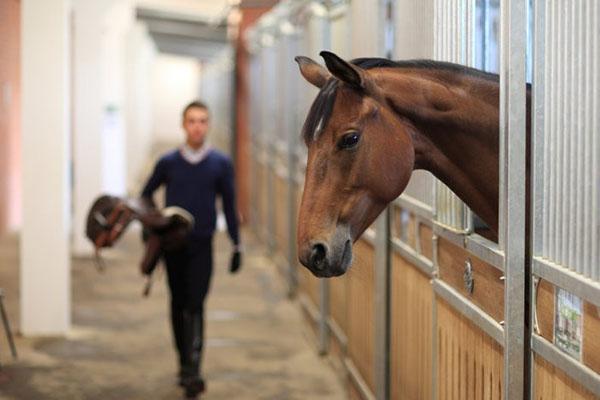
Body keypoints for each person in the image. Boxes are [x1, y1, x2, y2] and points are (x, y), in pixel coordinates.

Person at [141, 100, 241, 399]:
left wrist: (237, 245)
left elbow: (230, 205)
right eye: (192, 121)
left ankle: (193, 371)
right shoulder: (168, 162)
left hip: (202, 245)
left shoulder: (220, 164)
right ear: (183, 125)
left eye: (202, 121)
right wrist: (155, 226)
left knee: (196, 304)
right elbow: (146, 195)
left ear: (208, 125)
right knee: (177, 302)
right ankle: (183, 362)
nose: (197, 126)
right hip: (174, 245)